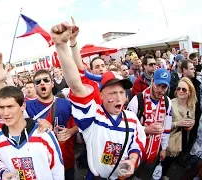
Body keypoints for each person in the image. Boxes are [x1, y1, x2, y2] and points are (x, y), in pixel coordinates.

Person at [50, 20, 146, 179]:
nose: (118, 98)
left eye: (121, 92)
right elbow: (76, 84)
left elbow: (137, 143)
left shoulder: (132, 119)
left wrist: (133, 160)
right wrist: (61, 45)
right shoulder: (93, 116)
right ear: (101, 96)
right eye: (112, 93)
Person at [0, 86, 64, 180]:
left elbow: (57, 169)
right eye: (2, 107)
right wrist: (3, 173)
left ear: (22, 106)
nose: (5, 113)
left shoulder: (43, 134)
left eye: (10, 106)